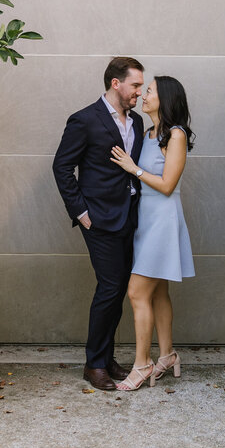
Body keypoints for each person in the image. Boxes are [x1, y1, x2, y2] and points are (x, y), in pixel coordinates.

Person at [52, 57, 146, 391]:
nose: (140, 91)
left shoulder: (136, 122)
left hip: (130, 216)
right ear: (115, 83)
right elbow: (62, 167)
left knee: (120, 288)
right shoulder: (84, 120)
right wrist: (81, 212)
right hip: (99, 219)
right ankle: (94, 364)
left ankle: (105, 358)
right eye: (135, 84)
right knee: (110, 286)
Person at [107, 75, 195, 391]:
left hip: (163, 219)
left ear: (166, 98)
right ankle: (168, 355)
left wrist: (134, 169)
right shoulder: (148, 133)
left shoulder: (176, 135)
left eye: (150, 90)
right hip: (145, 219)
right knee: (157, 292)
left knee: (137, 292)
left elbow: (168, 184)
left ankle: (143, 364)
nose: (144, 95)